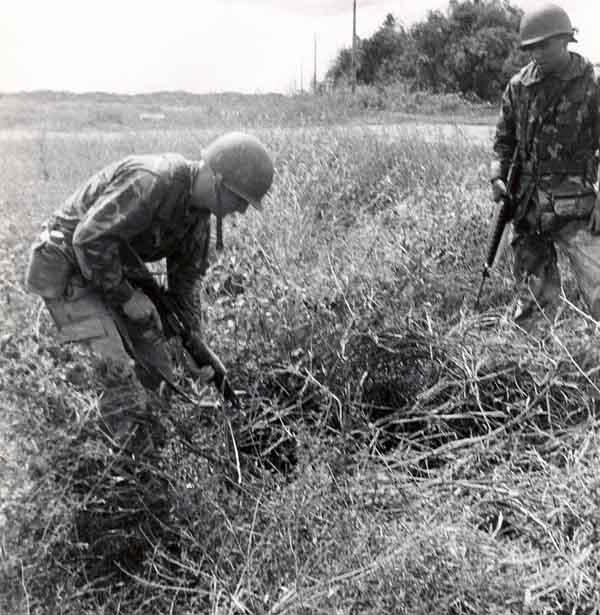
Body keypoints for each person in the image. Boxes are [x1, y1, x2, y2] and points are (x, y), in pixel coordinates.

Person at [25, 132, 274, 452]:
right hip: (66, 262)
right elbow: (88, 240)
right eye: (240, 199)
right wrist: (128, 298)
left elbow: (185, 288)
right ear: (218, 178)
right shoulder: (154, 180)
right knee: (120, 377)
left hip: (112, 272)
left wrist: (193, 347)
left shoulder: (198, 220)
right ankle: (119, 476)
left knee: (159, 376)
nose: (241, 210)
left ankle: (149, 460)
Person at [490, 3, 600, 327]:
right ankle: (529, 368)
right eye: (531, 47)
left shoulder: (592, 87)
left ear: (565, 40)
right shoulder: (518, 87)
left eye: (544, 45)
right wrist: (497, 175)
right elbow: (503, 140)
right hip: (528, 208)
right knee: (532, 300)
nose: (537, 53)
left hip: (577, 206)